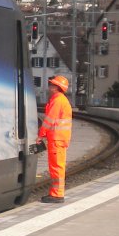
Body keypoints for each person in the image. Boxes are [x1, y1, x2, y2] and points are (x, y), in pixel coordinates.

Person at [36, 75, 73, 204]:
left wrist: (41, 134)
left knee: (56, 167)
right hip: (58, 138)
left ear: (57, 87)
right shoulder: (60, 99)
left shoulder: (58, 101)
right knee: (57, 166)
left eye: (52, 85)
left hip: (57, 139)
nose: (50, 86)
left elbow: (49, 120)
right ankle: (56, 193)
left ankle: (57, 194)